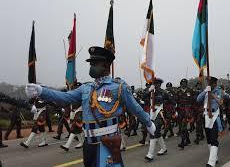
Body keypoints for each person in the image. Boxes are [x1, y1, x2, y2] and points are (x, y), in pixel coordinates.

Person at [25, 46, 155, 167]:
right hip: (89, 144)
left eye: (94, 63)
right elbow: (65, 97)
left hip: (107, 143)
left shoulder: (118, 87)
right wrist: (42, 91)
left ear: (105, 65)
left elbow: (135, 108)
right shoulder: (86, 88)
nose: (91, 66)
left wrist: (149, 123)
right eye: (90, 63)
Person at [197, 77, 226, 167]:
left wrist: (212, 95)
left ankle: (211, 162)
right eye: (208, 83)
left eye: (211, 83)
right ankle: (215, 157)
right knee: (209, 139)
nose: (210, 85)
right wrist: (205, 91)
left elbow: (220, 102)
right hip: (206, 116)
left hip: (214, 116)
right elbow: (198, 100)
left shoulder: (219, 91)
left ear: (215, 83)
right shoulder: (206, 90)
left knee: (214, 139)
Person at [145, 78, 168, 161]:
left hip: (160, 113)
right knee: (157, 133)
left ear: (160, 84)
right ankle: (163, 148)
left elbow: (170, 102)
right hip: (151, 113)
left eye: (157, 84)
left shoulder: (163, 93)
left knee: (153, 132)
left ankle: (150, 154)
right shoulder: (151, 92)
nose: (155, 85)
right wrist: (149, 90)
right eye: (154, 84)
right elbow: (143, 96)